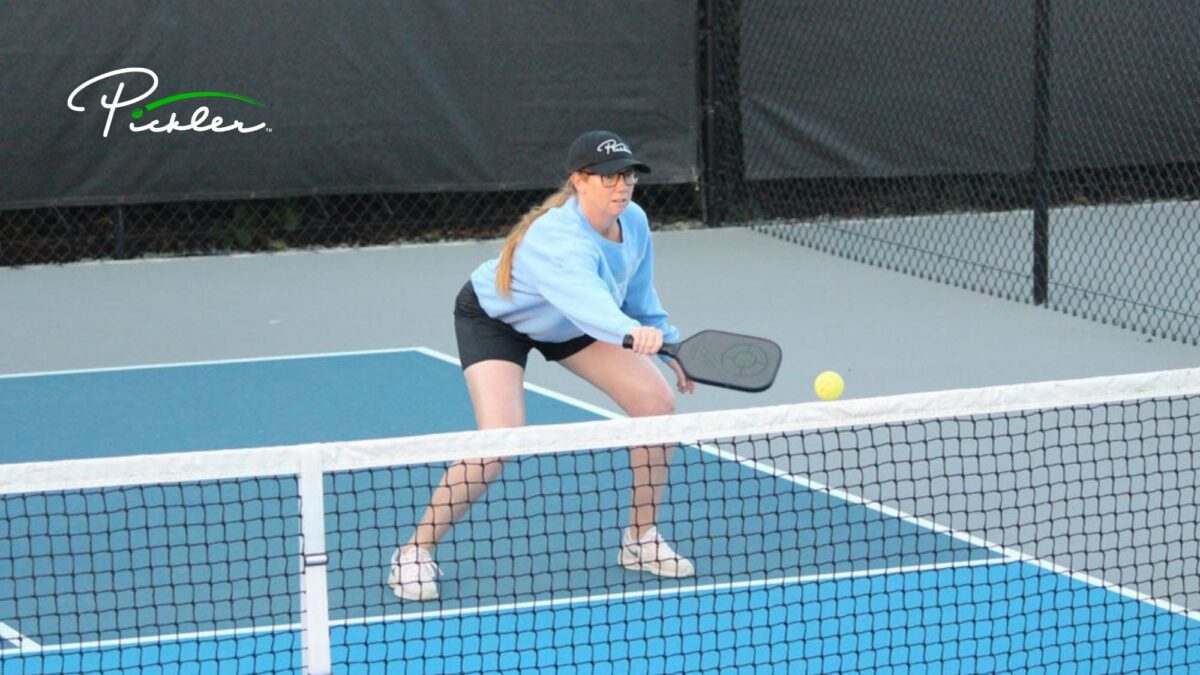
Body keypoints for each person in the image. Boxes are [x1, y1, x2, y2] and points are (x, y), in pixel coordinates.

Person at [388, 130, 696, 602]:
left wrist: (669, 345)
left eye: (628, 175)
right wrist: (632, 335)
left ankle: (640, 539)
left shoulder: (633, 220)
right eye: (609, 176)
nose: (622, 185)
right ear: (579, 180)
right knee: (499, 441)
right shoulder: (556, 237)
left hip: (570, 324)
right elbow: (589, 303)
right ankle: (414, 552)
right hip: (498, 320)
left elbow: (639, 295)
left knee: (655, 403)